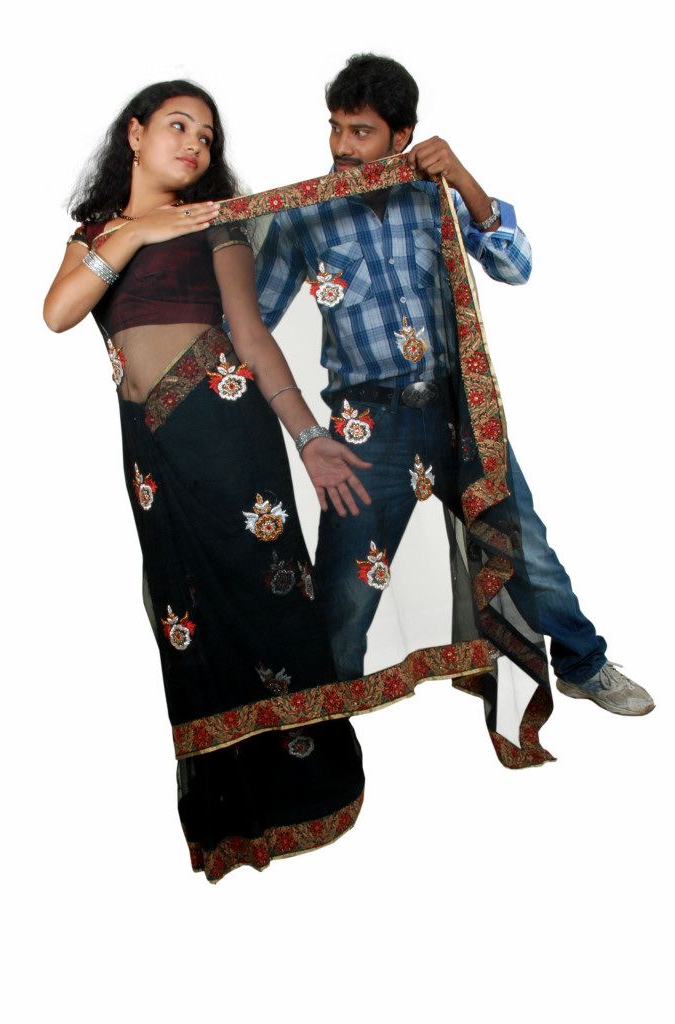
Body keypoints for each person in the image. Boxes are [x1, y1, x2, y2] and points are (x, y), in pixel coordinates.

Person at [43, 80, 379, 884]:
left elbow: (251, 335)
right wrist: (136, 231)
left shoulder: (214, 223)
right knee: (184, 617)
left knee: (269, 597)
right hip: (153, 452)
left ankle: (313, 789)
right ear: (134, 134)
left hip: (228, 433)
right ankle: (235, 815)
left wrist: (307, 436)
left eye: (206, 135)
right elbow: (57, 313)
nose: (195, 143)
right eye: (178, 125)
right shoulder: (95, 235)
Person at [254, 53, 654, 719]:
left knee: (524, 550)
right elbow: (253, 321)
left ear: (402, 135)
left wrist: (464, 179)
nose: (343, 147)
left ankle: (583, 665)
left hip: (457, 412)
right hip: (365, 429)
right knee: (348, 585)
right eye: (336, 128)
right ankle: (324, 720)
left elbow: (515, 266)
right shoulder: (304, 214)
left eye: (362, 132)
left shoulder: (432, 194)